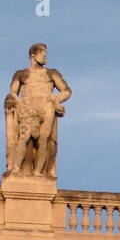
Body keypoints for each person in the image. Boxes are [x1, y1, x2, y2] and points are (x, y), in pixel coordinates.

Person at [5, 44, 72, 178]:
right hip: (28, 109)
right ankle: (16, 168)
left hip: (47, 107)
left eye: (45, 53)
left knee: (43, 139)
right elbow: (13, 93)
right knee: (24, 138)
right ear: (33, 55)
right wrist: (16, 103)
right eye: (43, 53)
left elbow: (67, 91)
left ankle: (38, 171)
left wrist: (56, 100)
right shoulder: (21, 74)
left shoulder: (51, 73)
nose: (45, 56)